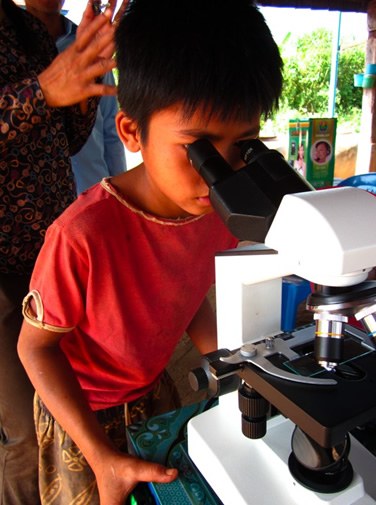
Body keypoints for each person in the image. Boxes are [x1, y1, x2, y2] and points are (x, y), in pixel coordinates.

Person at [17, 1, 283, 504]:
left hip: (149, 389)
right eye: (201, 147)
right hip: (82, 409)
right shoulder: (81, 237)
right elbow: (34, 348)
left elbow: (180, 295)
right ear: (132, 132)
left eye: (243, 143)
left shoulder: (214, 210)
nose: (220, 174)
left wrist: (238, 366)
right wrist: (99, 456)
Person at [0, 0, 119, 503]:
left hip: (46, 255)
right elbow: (36, 103)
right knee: (24, 429)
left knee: (63, 403)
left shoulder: (25, 28)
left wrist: (85, 82)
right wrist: (42, 91)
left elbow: (60, 140)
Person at [55, 4, 127, 194]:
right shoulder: (15, 55)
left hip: (94, 190)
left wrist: (120, 194)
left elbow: (111, 130)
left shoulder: (90, 47)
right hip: (40, 208)